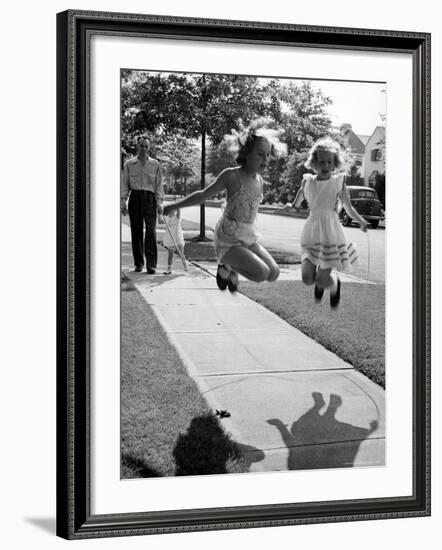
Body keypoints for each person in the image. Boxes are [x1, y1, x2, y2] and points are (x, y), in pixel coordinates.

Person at [163, 119, 286, 292]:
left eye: (268, 154)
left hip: (248, 236)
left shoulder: (259, 181)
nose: (265, 159)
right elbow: (202, 195)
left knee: (273, 273)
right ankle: (226, 264)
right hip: (228, 238)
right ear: (246, 152)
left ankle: (228, 267)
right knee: (261, 273)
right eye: (260, 154)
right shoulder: (231, 176)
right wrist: (173, 205)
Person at [291, 137, 368, 308]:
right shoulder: (308, 181)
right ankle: (321, 282)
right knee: (307, 278)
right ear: (314, 163)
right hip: (311, 232)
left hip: (331, 235)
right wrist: (294, 206)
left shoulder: (337, 183)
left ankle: (333, 285)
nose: (325, 166)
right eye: (321, 162)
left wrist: (361, 221)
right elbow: (299, 196)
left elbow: (348, 208)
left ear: (334, 163)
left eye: (329, 162)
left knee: (321, 278)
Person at [121, 135, 164, 273]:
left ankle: (151, 264)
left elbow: (159, 185)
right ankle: (138, 263)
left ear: (149, 147)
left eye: (146, 146)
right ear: (137, 146)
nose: (144, 149)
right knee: (136, 232)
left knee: (151, 232)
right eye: (141, 146)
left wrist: (159, 202)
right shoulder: (129, 164)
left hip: (150, 199)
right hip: (135, 198)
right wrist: (123, 202)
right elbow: (124, 184)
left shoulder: (156, 164)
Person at [162, 207, 188, 274]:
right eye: (170, 211)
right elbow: (160, 221)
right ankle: (169, 268)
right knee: (170, 255)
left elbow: (179, 213)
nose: (171, 212)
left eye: (173, 210)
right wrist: (159, 213)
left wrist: (178, 206)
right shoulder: (166, 218)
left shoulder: (177, 218)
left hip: (178, 239)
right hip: (170, 239)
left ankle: (185, 265)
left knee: (181, 253)